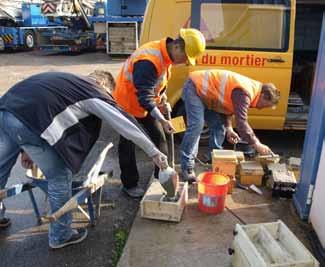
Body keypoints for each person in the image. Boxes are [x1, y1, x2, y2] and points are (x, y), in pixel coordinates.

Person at [0, 71, 167, 249]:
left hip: (5, 110)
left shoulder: (68, 82)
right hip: (28, 123)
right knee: (60, 177)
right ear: (105, 87)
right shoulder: (93, 92)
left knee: (1, 169)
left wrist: (26, 147)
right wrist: (155, 153)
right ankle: (60, 235)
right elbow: (124, 123)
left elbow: (35, 107)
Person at [113, 28, 206, 197]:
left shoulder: (166, 57)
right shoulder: (149, 59)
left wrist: (162, 98)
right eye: (186, 57)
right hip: (126, 105)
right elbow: (144, 96)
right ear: (177, 47)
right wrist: (163, 119)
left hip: (144, 104)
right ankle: (129, 184)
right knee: (127, 145)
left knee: (159, 139)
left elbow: (155, 84)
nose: (185, 62)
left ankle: (160, 178)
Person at [180, 69, 281, 182]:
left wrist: (229, 128)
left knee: (219, 127)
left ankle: (214, 160)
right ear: (263, 96)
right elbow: (241, 123)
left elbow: (227, 107)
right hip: (195, 87)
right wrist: (256, 144)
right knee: (197, 125)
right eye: (265, 105)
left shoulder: (252, 91)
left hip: (207, 95)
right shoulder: (245, 92)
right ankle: (186, 167)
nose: (261, 108)